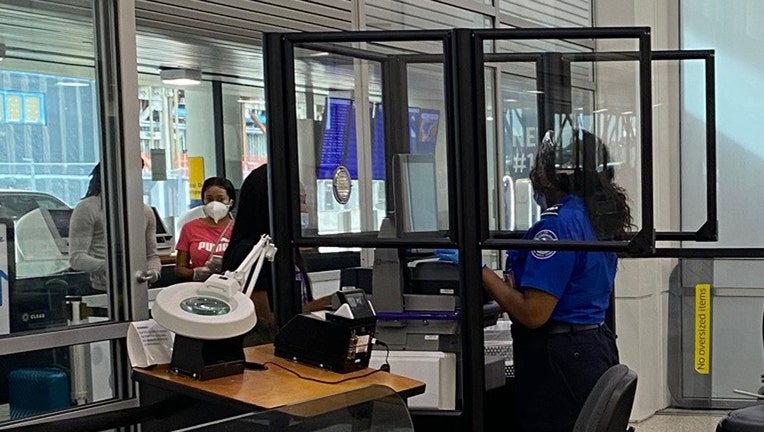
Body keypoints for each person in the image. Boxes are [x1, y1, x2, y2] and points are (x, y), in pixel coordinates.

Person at [438, 130, 633, 432]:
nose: (533, 175)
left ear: (552, 175)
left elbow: (533, 314)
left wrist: (478, 270)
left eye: (539, 167)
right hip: (590, 346)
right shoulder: (592, 215)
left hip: (560, 357)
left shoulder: (556, 226)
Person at [221, 164, 332, 346]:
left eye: (303, 200)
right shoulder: (250, 252)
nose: (304, 209)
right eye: (298, 201)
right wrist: (320, 305)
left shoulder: (285, 247)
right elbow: (265, 321)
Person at [69, 162, 161, 291]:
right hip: (102, 290)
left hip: (138, 289)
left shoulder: (145, 211)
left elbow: (152, 256)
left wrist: (153, 272)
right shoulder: (88, 207)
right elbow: (77, 258)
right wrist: (112, 268)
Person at [175, 176, 236, 281]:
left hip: (232, 289)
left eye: (221, 199)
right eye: (209, 199)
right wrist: (195, 273)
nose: (214, 204)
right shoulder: (190, 228)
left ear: (230, 202)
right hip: (200, 289)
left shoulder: (238, 229)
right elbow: (180, 270)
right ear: (203, 200)